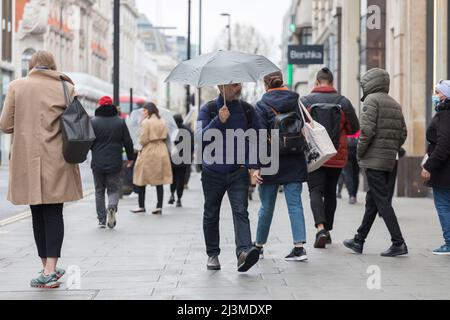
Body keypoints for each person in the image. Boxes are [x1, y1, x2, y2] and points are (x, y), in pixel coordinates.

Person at [0, 51, 83, 289]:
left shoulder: (17, 86)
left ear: (31, 66)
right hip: (58, 158)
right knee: (55, 213)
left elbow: (5, 125)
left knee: (37, 213)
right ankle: (50, 268)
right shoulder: (66, 87)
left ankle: (46, 267)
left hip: (27, 158)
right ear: (53, 65)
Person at [344, 68, 408, 257]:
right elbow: (403, 133)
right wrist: (390, 148)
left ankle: (399, 242)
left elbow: (367, 132)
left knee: (382, 202)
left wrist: (360, 153)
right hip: (388, 160)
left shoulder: (371, 101)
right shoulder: (394, 104)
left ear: (370, 83)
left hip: (373, 161)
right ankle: (359, 240)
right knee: (373, 200)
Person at [197, 83, 261, 272]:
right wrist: (218, 120)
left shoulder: (248, 110)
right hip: (212, 172)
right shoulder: (208, 109)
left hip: (237, 171)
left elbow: (256, 137)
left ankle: (243, 252)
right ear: (221, 86)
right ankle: (212, 254)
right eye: (233, 84)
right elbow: (199, 139)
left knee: (241, 211)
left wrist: (254, 166)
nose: (238, 87)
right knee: (211, 213)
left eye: (239, 83)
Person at [301, 67, 359, 249]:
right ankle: (328, 231)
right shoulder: (344, 102)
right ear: (332, 83)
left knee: (315, 191)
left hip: (314, 155)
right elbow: (354, 128)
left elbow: (298, 125)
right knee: (330, 192)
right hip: (336, 154)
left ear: (317, 82)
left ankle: (320, 228)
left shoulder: (305, 101)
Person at [253, 71, 308, 261]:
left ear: (265, 85)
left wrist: (256, 166)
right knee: (295, 204)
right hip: (295, 157)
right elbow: (304, 125)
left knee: (266, 206)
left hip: (270, 161)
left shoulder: (261, 105)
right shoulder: (296, 101)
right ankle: (299, 248)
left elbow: (259, 137)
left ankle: (259, 246)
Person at [91, 96, 134, 229]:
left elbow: (88, 141)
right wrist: (131, 158)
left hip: (98, 161)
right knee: (113, 189)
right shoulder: (120, 122)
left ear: (99, 106)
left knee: (99, 190)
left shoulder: (93, 121)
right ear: (112, 106)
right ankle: (112, 206)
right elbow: (128, 142)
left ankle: (101, 220)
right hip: (115, 161)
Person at [422, 80, 450, 256]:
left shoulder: (444, 115)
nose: (436, 96)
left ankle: (449, 242)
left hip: (444, 171)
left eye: (438, 93)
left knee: (443, 206)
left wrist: (429, 166)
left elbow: (443, 145)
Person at [131, 103, 173, 215]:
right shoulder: (163, 121)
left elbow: (143, 139)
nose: (143, 113)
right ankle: (159, 206)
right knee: (159, 180)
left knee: (142, 178)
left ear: (149, 111)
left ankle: (141, 206)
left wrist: (140, 130)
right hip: (161, 149)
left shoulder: (146, 122)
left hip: (149, 150)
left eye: (144, 111)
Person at [169, 114, 194, 208]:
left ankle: (172, 194)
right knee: (181, 179)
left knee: (173, 178)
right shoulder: (188, 130)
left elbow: (169, 144)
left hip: (173, 158)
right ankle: (179, 199)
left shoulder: (172, 130)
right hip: (184, 159)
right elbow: (192, 145)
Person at [337, 131, 361, 204]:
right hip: (358, 152)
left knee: (348, 174)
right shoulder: (358, 128)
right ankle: (354, 195)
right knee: (355, 175)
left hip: (347, 151)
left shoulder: (345, 128)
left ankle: (351, 196)